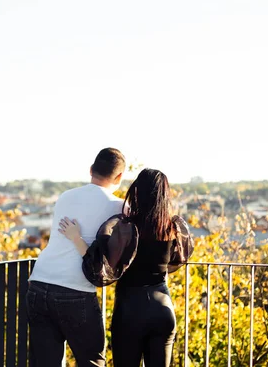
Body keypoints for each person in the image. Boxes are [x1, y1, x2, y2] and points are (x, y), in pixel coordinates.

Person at [59, 168, 193, 367]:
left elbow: (100, 266)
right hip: (163, 309)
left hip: (130, 311)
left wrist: (77, 238)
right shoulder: (172, 228)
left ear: (137, 191)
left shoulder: (126, 227)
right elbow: (179, 258)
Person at [26, 147, 126, 367]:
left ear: (91, 170)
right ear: (119, 177)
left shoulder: (65, 196)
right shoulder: (118, 207)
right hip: (75, 289)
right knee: (92, 361)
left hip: (40, 281)